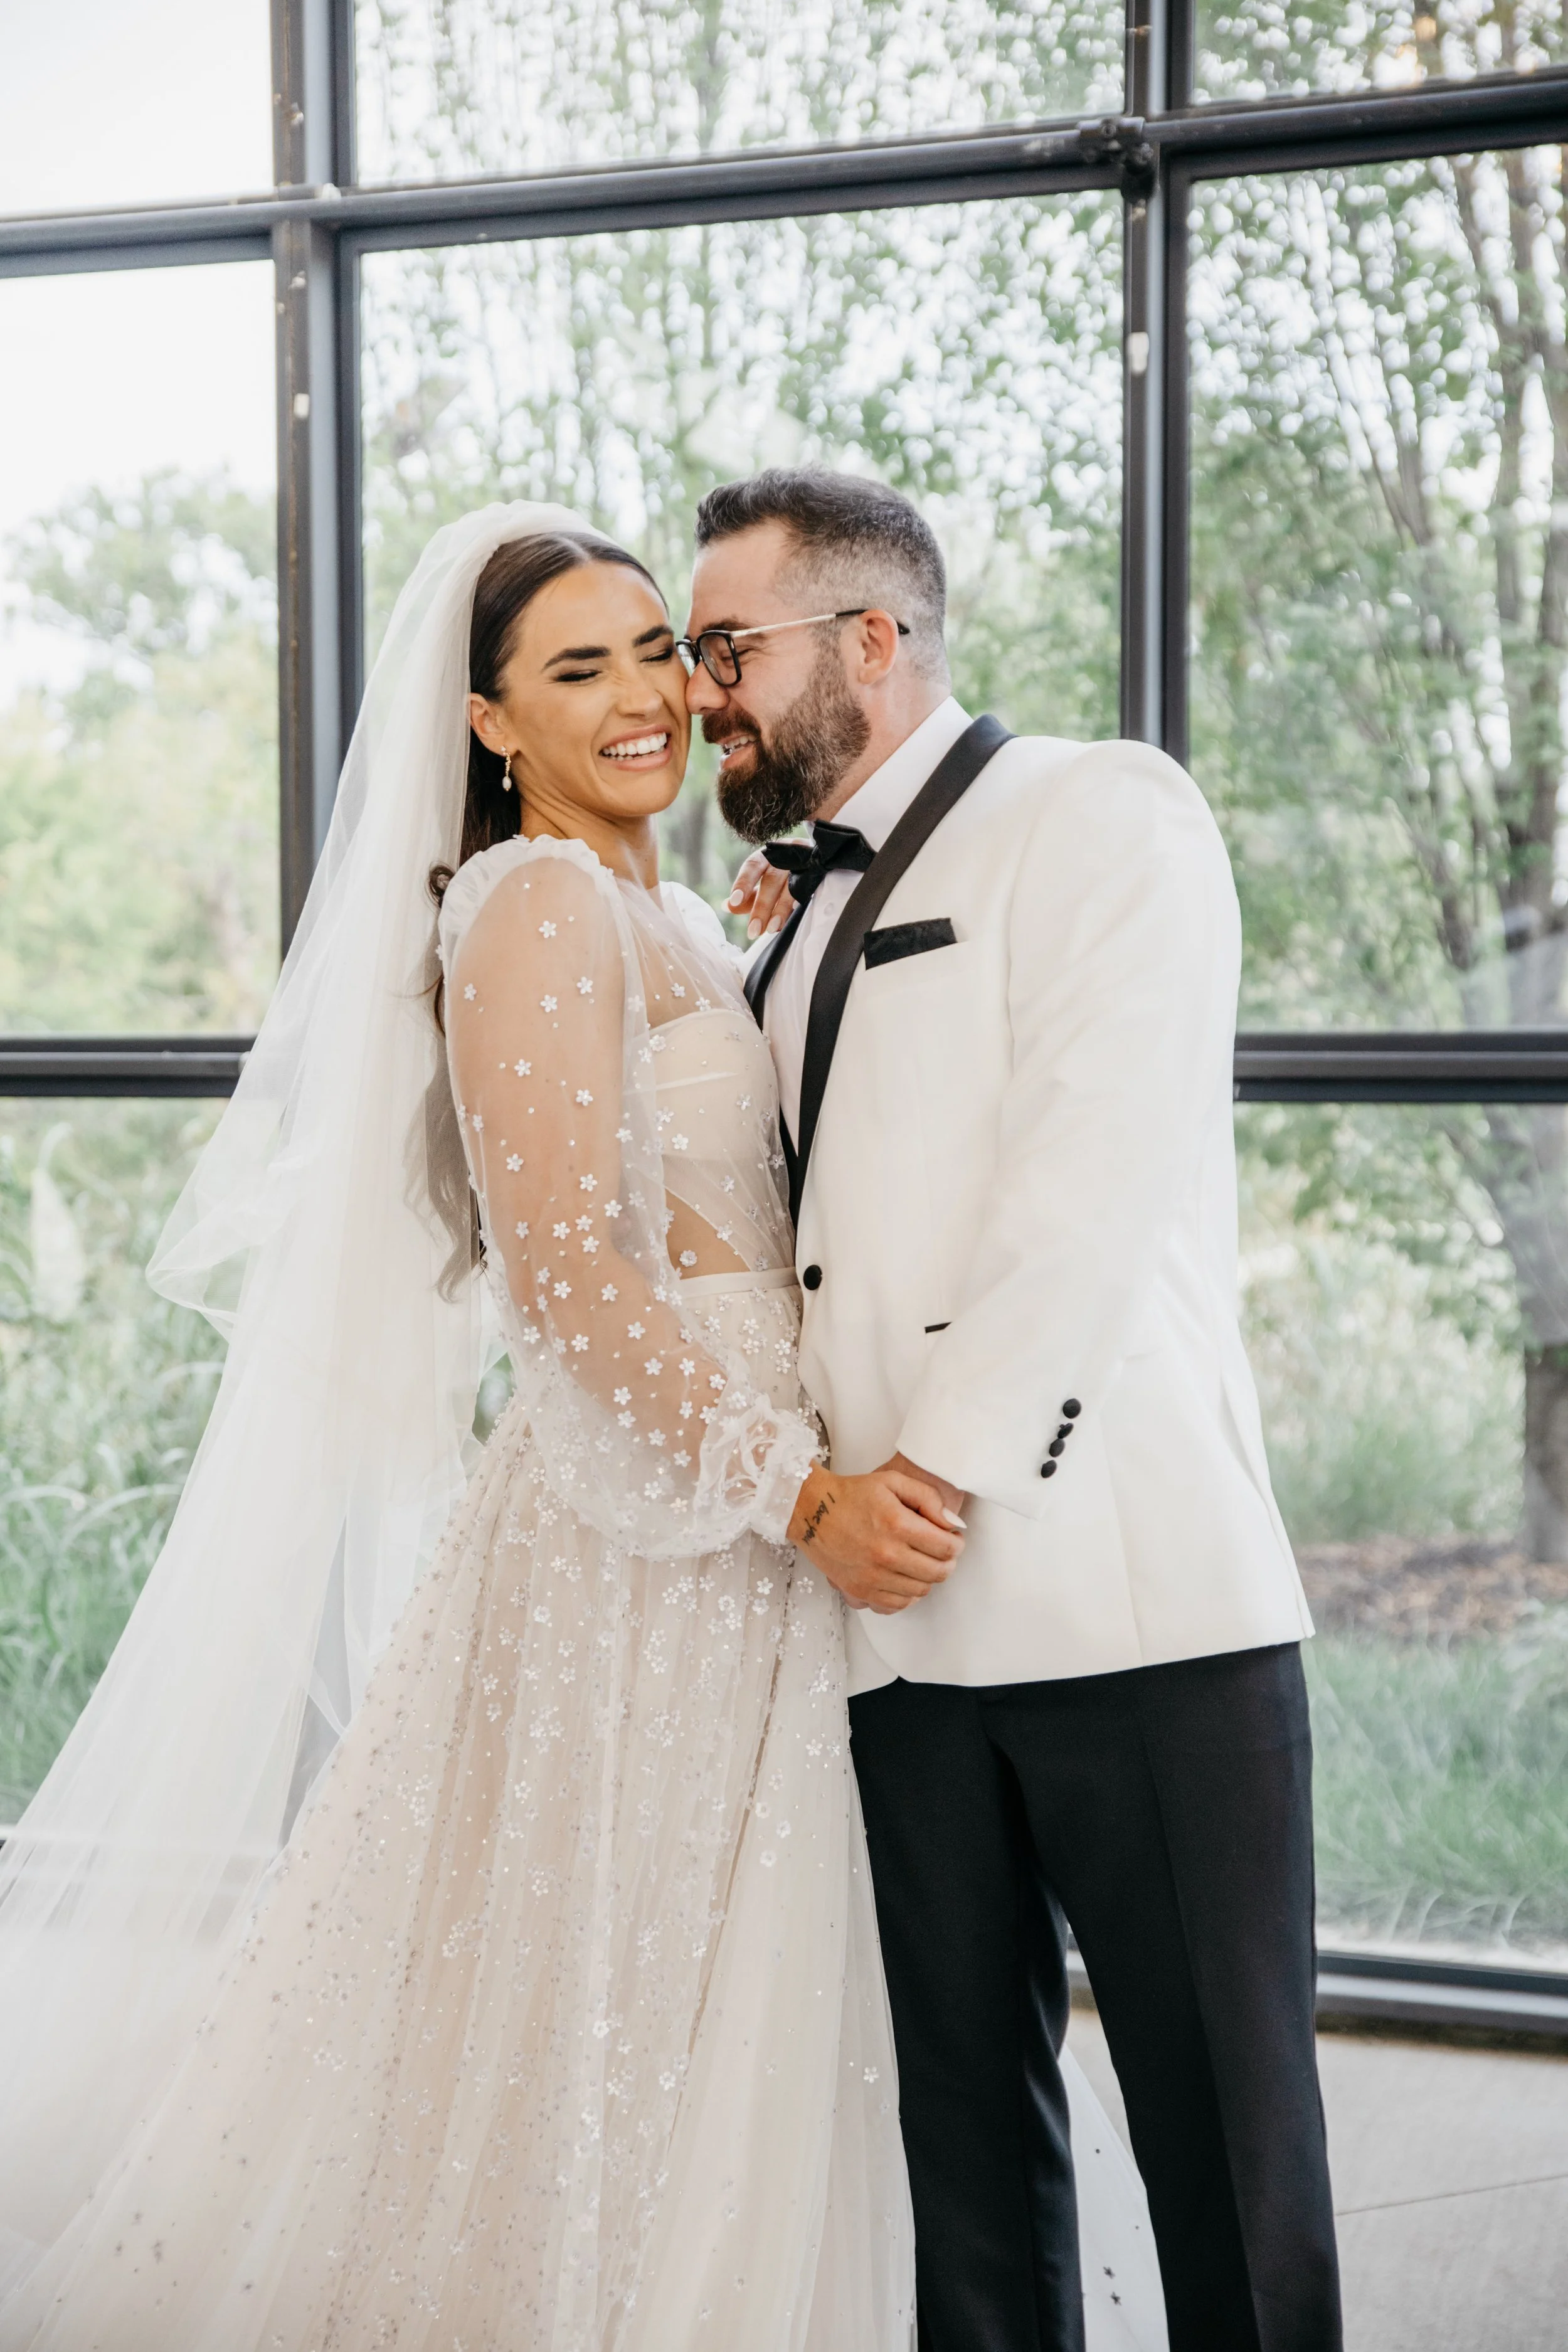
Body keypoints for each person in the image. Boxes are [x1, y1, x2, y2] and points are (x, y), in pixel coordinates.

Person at [0, 504, 1160, 2351]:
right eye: (577, 668)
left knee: (735, 1991)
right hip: (666, 1528)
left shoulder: (678, 909)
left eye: (661, 652)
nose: (643, 697)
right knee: (613, 1996)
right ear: (488, 721)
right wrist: (796, 1493)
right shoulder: (533, 901)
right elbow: (567, 1277)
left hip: (764, 1517)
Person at [699, 469, 1344, 2352]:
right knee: (965, 2165)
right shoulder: (787, 904)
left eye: (727, 647)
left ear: (870, 640)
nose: (702, 689)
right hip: (885, 1634)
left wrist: (934, 1471)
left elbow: (1095, 1177)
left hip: (1124, 1604)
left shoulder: (1098, 810)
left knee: (1224, 2158)